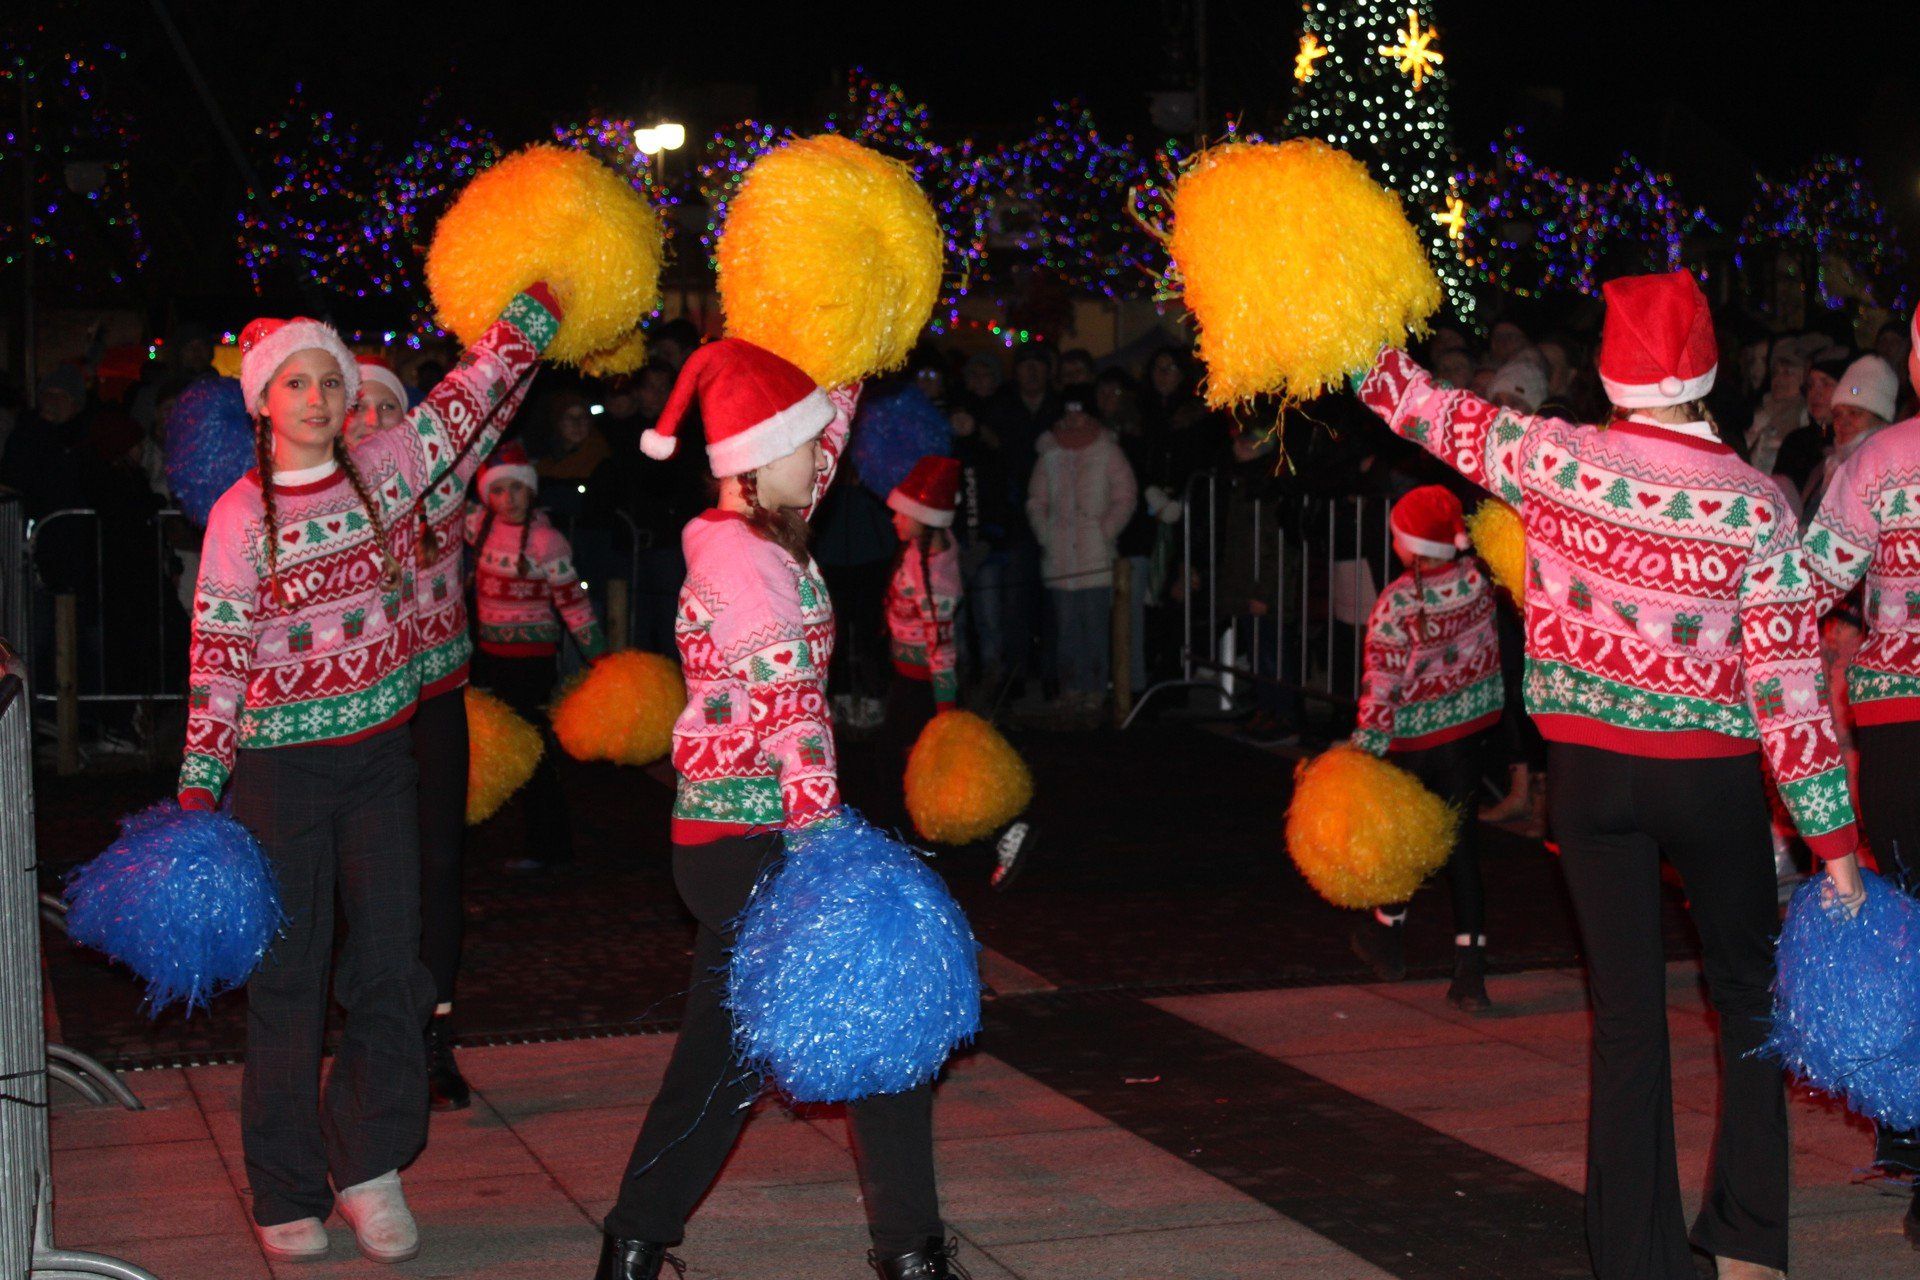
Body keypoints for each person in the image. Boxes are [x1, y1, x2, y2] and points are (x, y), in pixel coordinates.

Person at [1357, 270, 1863, 1280]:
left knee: (1626, 1018)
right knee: (1749, 1000)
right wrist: (1834, 843)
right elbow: (1788, 686)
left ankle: (1635, 1259)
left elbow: (1413, 402)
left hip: (1588, 776)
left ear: (1611, 369)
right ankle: (1748, 1241)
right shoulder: (1756, 501)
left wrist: (1337, 323)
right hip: (1711, 776)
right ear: (1710, 366)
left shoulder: (1550, 454)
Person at [179, 285, 561, 1264]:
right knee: (288, 980)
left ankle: (368, 1161)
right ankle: (285, 1182)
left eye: (329, 380)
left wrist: (540, 306)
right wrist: (199, 780)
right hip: (278, 771)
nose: (314, 395)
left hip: (382, 755)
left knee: (396, 961)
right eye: (294, 382)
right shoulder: (237, 516)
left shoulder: (389, 470)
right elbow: (219, 652)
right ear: (264, 400)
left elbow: (475, 397)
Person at [599, 338, 959, 1280]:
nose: (824, 463)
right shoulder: (743, 560)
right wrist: (821, 843)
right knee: (865, 1028)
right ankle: (908, 1255)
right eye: (802, 450)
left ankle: (634, 1247)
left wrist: (853, 342)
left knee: (731, 1060)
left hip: (747, 834)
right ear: (759, 462)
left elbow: (818, 436)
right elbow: (787, 700)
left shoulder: (760, 519)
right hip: (757, 835)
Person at [362, 353, 520, 1113]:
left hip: (437, 704)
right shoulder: (326, 499)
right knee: (365, 877)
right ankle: (375, 1034)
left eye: (386, 408)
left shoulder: (447, 480)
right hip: (362, 716)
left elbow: (498, 397)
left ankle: (433, 1039)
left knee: (439, 868)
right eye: (354, 407)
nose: (370, 422)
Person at [1799, 309, 1920, 1240]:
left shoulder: (1878, 465)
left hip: (1902, 720)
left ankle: (1909, 1129)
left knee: (1908, 919)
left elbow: (1810, 581)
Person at [1348, 486, 1503, 1009]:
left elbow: (1382, 682)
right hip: (1467, 737)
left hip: (1414, 742)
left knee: (1407, 842)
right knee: (1461, 849)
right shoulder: (1479, 581)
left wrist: (1365, 746)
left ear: (1409, 546)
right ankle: (1471, 972)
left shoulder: (1396, 602)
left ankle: (1387, 939)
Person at [467, 441, 607, 873]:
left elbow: (573, 605)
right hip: (491, 659)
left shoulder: (549, 542)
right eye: (499, 490)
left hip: (532, 663)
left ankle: (550, 847)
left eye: (518, 489)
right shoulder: (480, 528)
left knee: (534, 754)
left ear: (532, 492)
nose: (509, 500)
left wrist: (602, 658)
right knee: (495, 747)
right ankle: (512, 838)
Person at [1027, 385, 1138, 719]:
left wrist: (1105, 530)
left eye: (1080, 410)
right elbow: (1036, 500)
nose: (1074, 418)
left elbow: (1125, 495)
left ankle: (1094, 688)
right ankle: (1070, 688)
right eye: (1068, 411)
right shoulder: (1049, 452)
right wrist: (1045, 534)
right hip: (1060, 559)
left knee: (1094, 627)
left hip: (1095, 558)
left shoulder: (1107, 451)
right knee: (1066, 628)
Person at [1804, 354, 1900, 510]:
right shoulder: (1825, 471)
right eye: (1837, 415)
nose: (1844, 422)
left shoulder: (1897, 475)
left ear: (1881, 421)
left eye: (1855, 413)